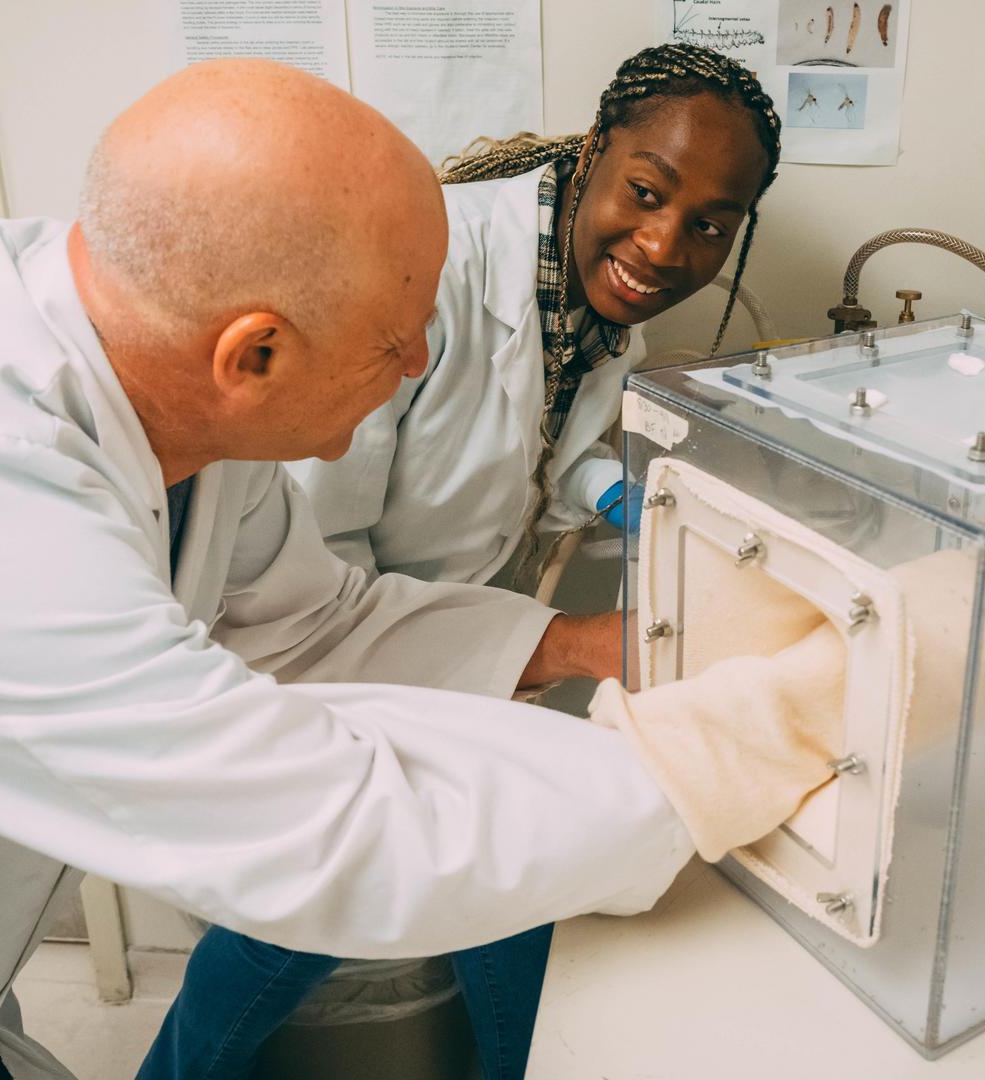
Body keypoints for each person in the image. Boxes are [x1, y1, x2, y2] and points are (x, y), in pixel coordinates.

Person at [0, 60, 834, 1080]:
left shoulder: (147, 374)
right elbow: (325, 833)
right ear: (256, 353)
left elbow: (310, 624)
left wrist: (579, 644)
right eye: (398, 342)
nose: (421, 365)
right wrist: (747, 745)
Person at [140, 44, 783, 1080]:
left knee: (511, 881)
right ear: (595, 149)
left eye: (710, 225)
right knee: (301, 913)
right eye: (646, 191)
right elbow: (319, 542)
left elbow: (545, 446)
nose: (664, 244)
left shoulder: (601, 309)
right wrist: (481, 672)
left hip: (446, 634)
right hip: (335, 645)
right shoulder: (430, 273)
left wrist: (607, 489)